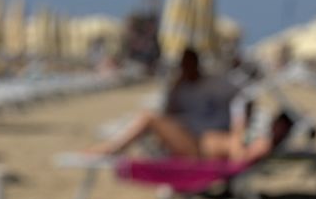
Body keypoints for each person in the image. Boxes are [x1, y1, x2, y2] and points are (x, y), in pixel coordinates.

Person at [88, 47, 275, 163]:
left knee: (148, 118)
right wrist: (176, 88)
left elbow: (244, 107)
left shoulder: (219, 89)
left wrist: (246, 139)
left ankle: (111, 149)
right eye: (183, 65)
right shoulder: (182, 88)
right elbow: (169, 114)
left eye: (189, 63)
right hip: (191, 140)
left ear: (197, 63)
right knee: (150, 118)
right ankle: (111, 148)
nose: (186, 68)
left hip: (196, 147)